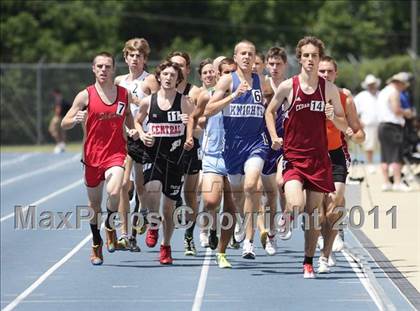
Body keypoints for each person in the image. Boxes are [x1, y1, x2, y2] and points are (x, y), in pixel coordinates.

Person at [265, 36, 347, 278]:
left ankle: (308, 261)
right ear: (299, 58)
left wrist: (333, 117)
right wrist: (274, 136)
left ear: (319, 58)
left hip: (319, 159)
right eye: (306, 55)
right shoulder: (288, 86)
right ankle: (289, 214)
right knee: (297, 203)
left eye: (315, 55)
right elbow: (270, 112)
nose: (310, 60)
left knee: (313, 216)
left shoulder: (329, 89)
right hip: (294, 156)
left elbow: (343, 124)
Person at [61, 52, 139, 265]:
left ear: (113, 69)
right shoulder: (85, 95)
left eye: (107, 66)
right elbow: (64, 123)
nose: (104, 70)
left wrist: (132, 130)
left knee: (115, 190)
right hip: (92, 156)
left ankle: (110, 226)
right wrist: (75, 119)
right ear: (93, 69)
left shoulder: (124, 94)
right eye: (100, 66)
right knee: (94, 205)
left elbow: (130, 117)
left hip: (116, 153)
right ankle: (96, 242)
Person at [205, 40, 272, 260]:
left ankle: (249, 243)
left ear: (255, 59)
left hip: (256, 142)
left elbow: (272, 104)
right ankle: (244, 222)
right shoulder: (227, 79)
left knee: (251, 184)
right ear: (235, 57)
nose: (246, 57)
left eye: (251, 54)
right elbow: (208, 109)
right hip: (233, 146)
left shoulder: (260, 80)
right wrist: (233, 95)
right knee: (238, 196)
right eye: (242, 53)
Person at [135, 60, 194, 264]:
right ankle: (153, 225)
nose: (168, 78)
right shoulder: (148, 101)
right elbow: (137, 120)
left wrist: (188, 137)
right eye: (165, 74)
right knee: (151, 191)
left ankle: (166, 245)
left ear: (178, 79)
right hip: (153, 154)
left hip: (175, 158)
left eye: (173, 75)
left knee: (169, 208)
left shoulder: (184, 102)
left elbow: (190, 123)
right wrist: (143, 134)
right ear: (159, 77)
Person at [185, 59, 237, 268]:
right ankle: (210, 228)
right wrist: (190, 136)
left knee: (232, 207)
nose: (228, 76)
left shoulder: (245, 95)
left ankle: (222, 252)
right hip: (213, 155)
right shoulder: (208, 95)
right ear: (217, 74)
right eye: (225, 72)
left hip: (235, 156)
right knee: (211, 201)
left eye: (232, 72)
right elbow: (193, 117)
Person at [316, 55, 365, 273]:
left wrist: (353, 134)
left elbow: (359, 132)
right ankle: (322, 237)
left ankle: (326, 253)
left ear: (336, 74)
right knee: (319, 210)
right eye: (321, 71)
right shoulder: (306, 95)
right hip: (312, 155)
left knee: (334, 202)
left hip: (337, 153)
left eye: (329, 71)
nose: (325, 75)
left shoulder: (345, 98)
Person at [114, 38, 151, 252]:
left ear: (144, 59)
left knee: (141, 187)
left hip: (144, 138)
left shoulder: (150, 80)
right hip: (125, 138)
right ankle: (125, 234)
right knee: (123, 185)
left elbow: (158, 104)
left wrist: (138, 103)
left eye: (139, 56)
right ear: (126, 57)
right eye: (131, 55)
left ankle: (144, 212)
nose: (135, 59)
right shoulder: (119, 81)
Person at [166, 51, 202, 256]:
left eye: (181, 66)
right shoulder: (162, 89)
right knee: (167, 193)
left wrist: (190, 128)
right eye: (173, 65)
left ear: (187, 69)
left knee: (190, 194)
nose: (177, 69)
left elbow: (198, 123)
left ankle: (189, 236)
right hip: (167, 148)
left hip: (189, 146)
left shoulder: (194, 93)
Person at [377, 72, 413, 192]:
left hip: (382, 126)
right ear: (399, 83)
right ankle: (397, 182)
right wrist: (407, 112)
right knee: (396, 155)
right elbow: (396, 110)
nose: (403, 88)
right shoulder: (394, 92)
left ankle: (386, 182)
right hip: (393, 126)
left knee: (384, 155)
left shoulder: (382, 92)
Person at [354, 74, 381, 173]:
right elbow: (353, 110)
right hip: (368, 124)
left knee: (382, 145)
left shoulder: (380, 94)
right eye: (370, 84)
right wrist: (359, 122)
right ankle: (370, 164)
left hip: (381, 124)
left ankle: (383, 164)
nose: (372, 86)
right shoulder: (361, 96)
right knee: (369, 146)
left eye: (373, 84)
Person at [49, 89, 71, 153]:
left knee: (52, 129)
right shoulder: (62, 100)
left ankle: (60, 144)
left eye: (55, 94)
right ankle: (61, 144)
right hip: (63, 117)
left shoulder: (60, 100)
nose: (54, 96)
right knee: (61, 132)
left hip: (59, 117)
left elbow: (58, 110)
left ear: (57, 94)